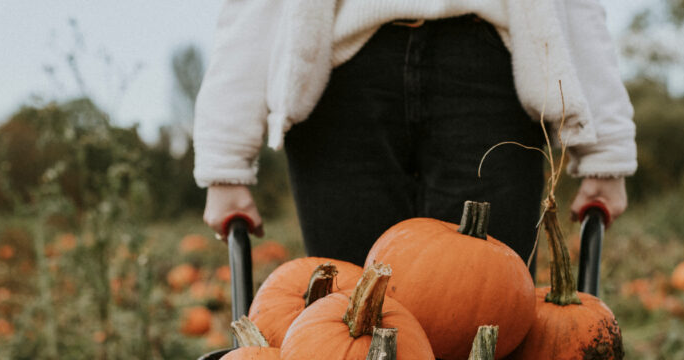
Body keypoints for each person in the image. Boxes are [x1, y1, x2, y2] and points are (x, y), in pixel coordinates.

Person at [193, 0, 636, 266]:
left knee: (489, 320)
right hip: (342, 78)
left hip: (490, 69)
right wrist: (225, 161)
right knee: (348, 317)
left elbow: (575, 7)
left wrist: (606, 150)